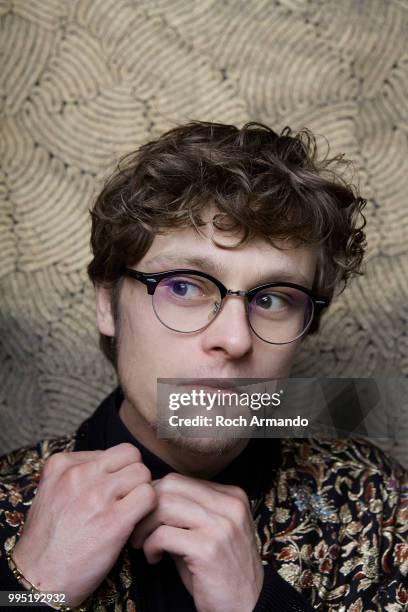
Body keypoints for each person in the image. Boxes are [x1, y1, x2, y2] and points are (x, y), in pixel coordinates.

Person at [0, 121, 407, 612]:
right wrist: (29, 591)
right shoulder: (7, 498)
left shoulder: (376, 503)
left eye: (274, 298)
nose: (235, 340)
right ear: (107, 304)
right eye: (185, 286)